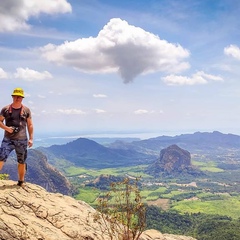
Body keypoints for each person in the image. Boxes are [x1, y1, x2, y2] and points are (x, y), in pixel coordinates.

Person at [0, 88, 33, 186]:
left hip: (22, 140)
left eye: (19, 96)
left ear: (22, 98)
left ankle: (21, 181)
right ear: (12, 97)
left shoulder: (26, 110)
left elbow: (30, 124)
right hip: (8, 139)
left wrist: (31, 138)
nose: (17, 98)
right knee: (1, 158)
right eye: (15, 96)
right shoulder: (5, 109)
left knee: (22, 161)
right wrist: (7, 128)